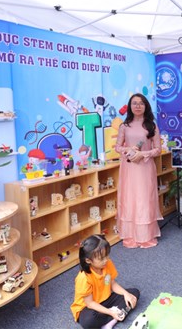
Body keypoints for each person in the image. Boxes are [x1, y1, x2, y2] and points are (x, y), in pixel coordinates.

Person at [114, 93, 162, 248]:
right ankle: (130, 235)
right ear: (130, 106)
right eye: (134, 103)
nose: (138, 106)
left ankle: (145, 236)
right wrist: (129, 150)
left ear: (146, 106)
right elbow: (117, 147)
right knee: (130, 199)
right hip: (128, 168)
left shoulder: (152, 126)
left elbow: (158, 149)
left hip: (145, 168)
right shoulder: (124, 126)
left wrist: (143, 154)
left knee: (144, 199)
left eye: (141, 103)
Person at [70, 234, 139, 329]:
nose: (106, 260)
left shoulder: (107, 264)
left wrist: (126, 294)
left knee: (134, 293)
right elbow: (90, 303)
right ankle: (114, 316)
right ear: (88, 260)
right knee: (89, 321)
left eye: (107, 255)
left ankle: (112, 320)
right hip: (88, 307)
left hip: (105, 299)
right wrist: (110, 312)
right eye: (101, 258)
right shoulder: (83, 278)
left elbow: (111, 284)